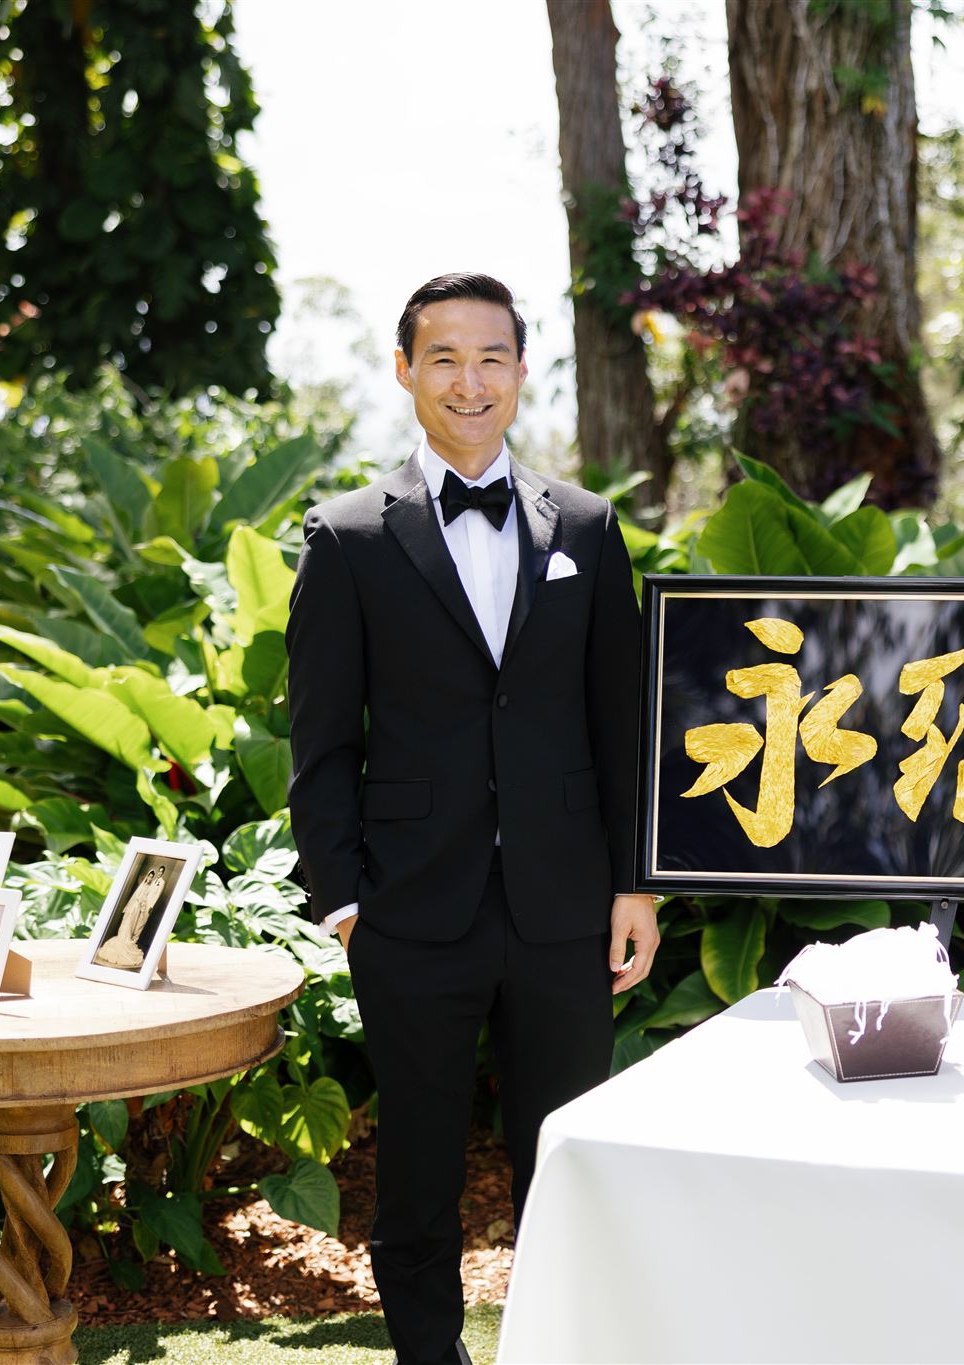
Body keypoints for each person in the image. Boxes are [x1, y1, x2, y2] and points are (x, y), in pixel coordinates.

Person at [286, 273, 658, 1365]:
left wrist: (632, 883)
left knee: (562, 1165)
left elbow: (619, 725)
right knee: (416, 1178)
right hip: (408, 914)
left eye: (490, 356)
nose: (468, 380)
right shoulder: (348, 536)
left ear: (520, 370)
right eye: (442, 357)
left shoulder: (586, 528)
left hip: (562, 910)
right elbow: (320, 744)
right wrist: (347, 905)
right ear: (404, 372)